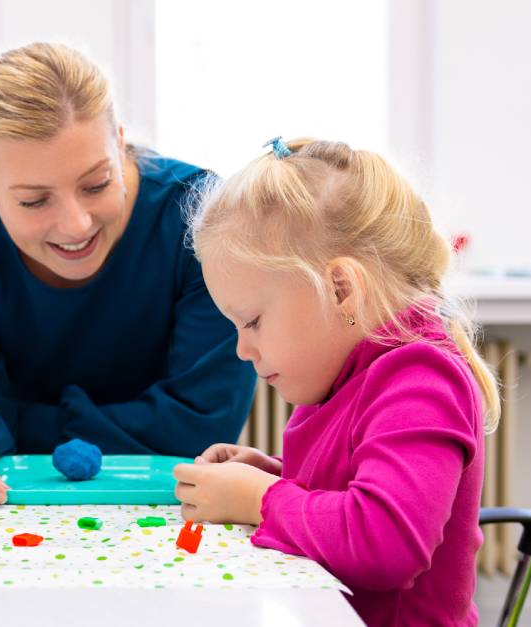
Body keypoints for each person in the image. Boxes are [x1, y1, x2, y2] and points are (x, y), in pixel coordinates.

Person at [0, 42, 255, 507]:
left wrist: (12, 425)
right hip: (3, 514)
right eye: (34, 200)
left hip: (169, 508)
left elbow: (201, 425)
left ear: (120, 143)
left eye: (97, 183)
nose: (77, 224)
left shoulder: (202, 218)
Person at [174, 137, 500, 625]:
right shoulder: (349, 370)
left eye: (253, 321)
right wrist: (276, 475)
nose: (242, 349)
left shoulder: (420, 377)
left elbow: (385, 542)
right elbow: (354, 491)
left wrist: (259, 499)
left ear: (340, 289)